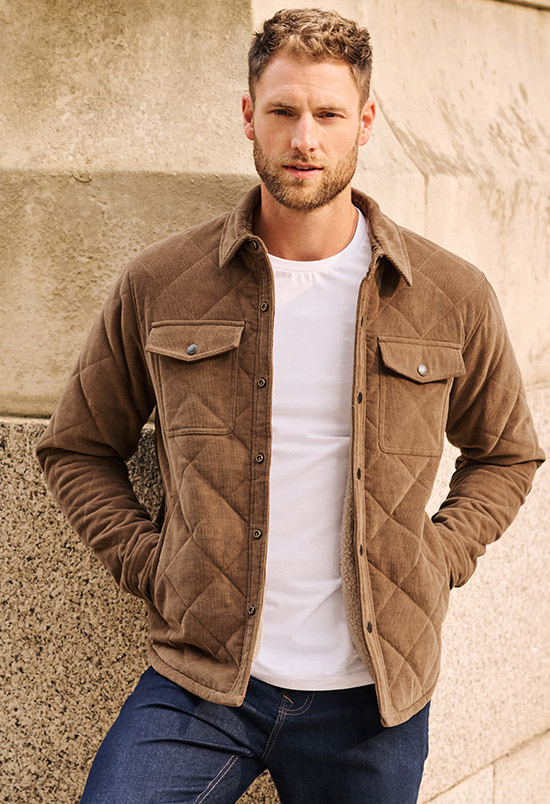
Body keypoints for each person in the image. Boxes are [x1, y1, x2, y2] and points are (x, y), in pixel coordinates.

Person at [36, 8, 544, 804]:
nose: (305, 138)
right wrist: (152, 563)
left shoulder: (449, 295)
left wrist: (439, 557)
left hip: (374, 699)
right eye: (283, 111)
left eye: (328, 114)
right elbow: (77, 448)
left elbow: (507, 453)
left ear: (365, 122)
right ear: (249, 116)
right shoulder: (163, 283)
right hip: (203, 683)